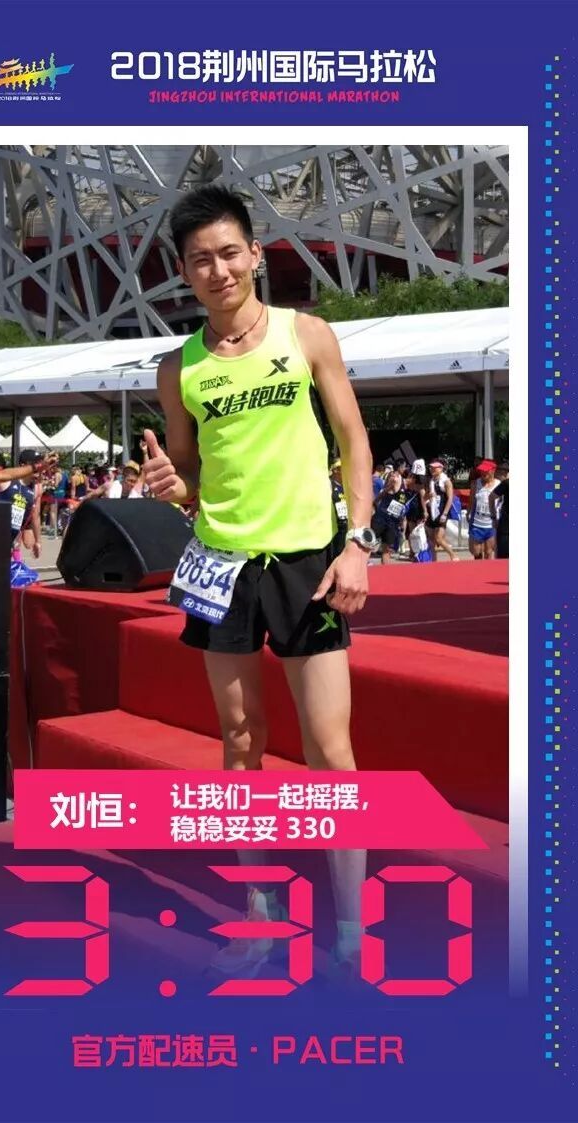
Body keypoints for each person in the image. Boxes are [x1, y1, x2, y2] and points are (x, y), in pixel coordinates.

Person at [141, 184, 375, 980]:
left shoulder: (306, 334)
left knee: (330, 749)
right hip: (222, 565)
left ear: (254, 254)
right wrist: (172, 485)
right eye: (200, 259)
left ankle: (351, 931)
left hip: (310, 560)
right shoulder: (179, 368)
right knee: (240, 742)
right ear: (184, 271)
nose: (218, 270)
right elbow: (190, 478)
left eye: (229, 252)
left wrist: (359, 542)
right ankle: (262, 914)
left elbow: (353, 440)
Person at [371, 470, 414, 565]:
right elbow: (376, 500)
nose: (394, 477)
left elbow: (402, 509)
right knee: (369, 542)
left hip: (393, 523)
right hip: (380, 519)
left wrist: (402, 522)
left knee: (386, 549)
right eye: (392, 476)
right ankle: (362, 563)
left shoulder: (406, 490)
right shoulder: (391, 487)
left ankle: (386, 569)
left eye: (396, 475)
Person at [426, 458, 458, 562]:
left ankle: (453, 555)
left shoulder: (446, 482)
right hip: (432, 511)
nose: (432, 469)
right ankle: (433, 561)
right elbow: (425, 497)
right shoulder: (431, 481)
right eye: (431, 468)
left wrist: (445, 513)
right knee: (431, 540)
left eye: (435, 468)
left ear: (441, 468)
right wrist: (429, 495)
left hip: (442, 511)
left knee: (438, 538)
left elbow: (450, 498)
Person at [469, 459, 498, 559]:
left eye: (486, 470)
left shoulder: (499, 484)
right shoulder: (475, 483)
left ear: (493, 470)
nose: (483, 472)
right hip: (477, 522)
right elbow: (471, 500)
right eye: (482, 470)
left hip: (491, 524)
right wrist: (468, 513)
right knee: (476, 552)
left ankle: (488, 569)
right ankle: (478, 568)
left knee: (489, 552)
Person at [491, 468, 509, 559]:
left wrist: (493, 515)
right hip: (505, 526)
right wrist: (493, 515)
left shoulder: (507, 483)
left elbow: (491, 497)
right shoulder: (507, 483)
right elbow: (491, 497)